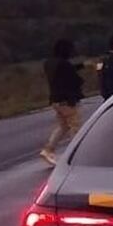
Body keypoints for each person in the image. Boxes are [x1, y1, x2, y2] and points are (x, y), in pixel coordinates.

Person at [40, 38, 84, 166]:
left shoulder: (48, 63)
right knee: (75, 127)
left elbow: (65, 70)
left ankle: (48, 149)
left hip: (55, 99)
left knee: (63, 126)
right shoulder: (65, 64)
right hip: (68, 100)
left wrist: (80, 66)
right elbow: (75, 80)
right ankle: (76, 155)